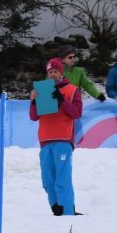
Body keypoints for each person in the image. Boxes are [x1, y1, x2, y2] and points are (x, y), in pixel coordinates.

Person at [29, 57, 83, 216]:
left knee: (62, 178)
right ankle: (56, 208)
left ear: (61, 73)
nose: (52, 74)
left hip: (63, 139)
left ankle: (67, 212)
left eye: (55, 71)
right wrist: (33, 101)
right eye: (50, 72)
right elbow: (33, 116)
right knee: (47, 181)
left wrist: (61, 100)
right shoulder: (42, 90)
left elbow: (77, 113)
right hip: (45, 140)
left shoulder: (71, 90)